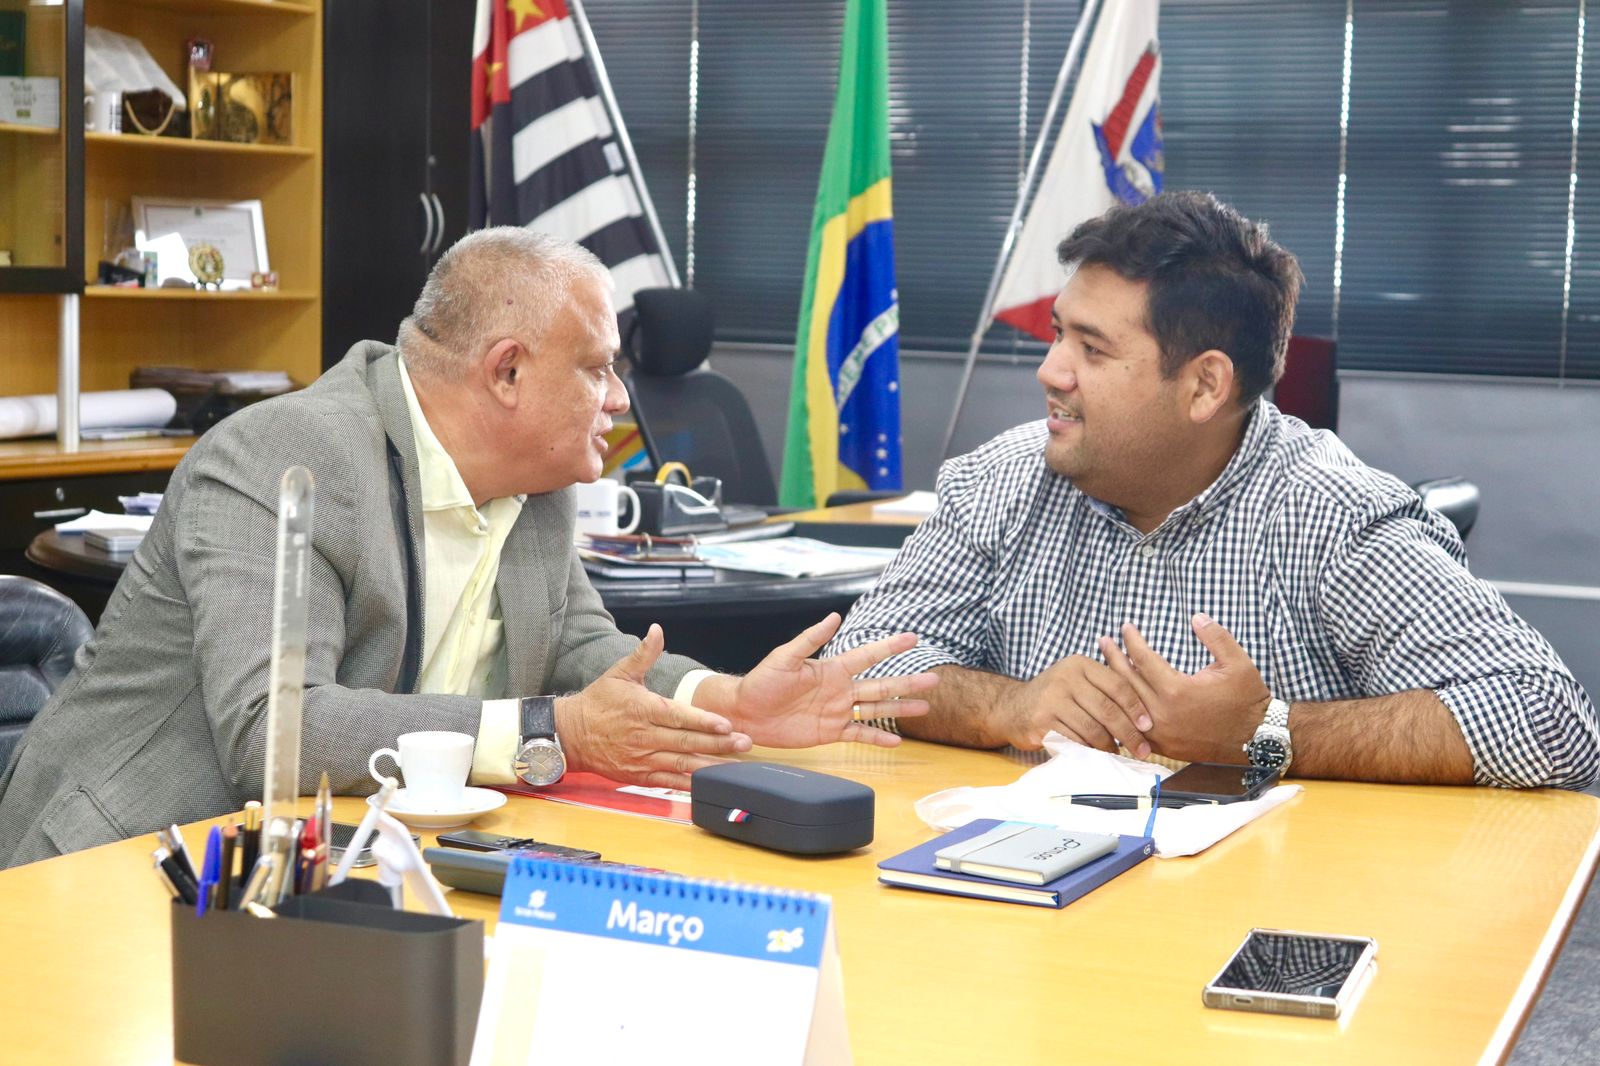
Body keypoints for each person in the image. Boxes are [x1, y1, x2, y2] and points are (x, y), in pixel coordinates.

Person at [0, 229, 936, 867]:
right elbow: (275, 732)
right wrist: (549, 736)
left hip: (339, 867)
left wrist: (723, 703)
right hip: (123, 871)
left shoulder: (536, 483)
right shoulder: (284, 459)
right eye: (599, 368)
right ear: (508, 371)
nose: (621, 399)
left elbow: (581, 650)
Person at [826, 191, 1597, 789]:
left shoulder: (1328, 512)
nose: (1050, 370)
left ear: (1204, 386)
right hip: (1018, 893)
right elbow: (852, 669)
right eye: (1059, 332)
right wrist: (1006, 706)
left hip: (1259, 909)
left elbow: (1550, 720)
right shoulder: (1004, 479)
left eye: (1092, 348)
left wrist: (1264, 733)